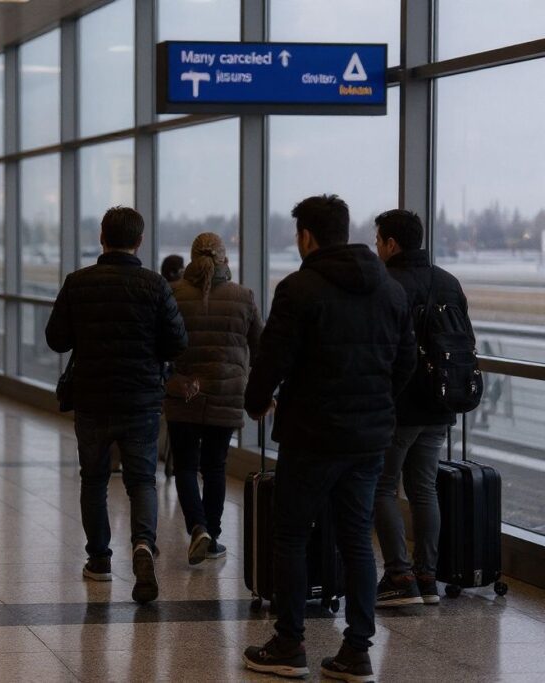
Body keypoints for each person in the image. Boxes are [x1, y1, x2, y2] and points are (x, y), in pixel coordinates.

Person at [241, 195, 416, 682]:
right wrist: (376, 402)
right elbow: (405, 362)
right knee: (357, 538)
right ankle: (356, 650)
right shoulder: (390, 289)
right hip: (368, 439)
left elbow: (272, 358)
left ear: (307, 236)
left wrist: (256, 402)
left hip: (311, 435)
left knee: (292, 536)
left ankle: (289, 643)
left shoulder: (298, 289)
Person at [46, 206, 188, 605]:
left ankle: (100, 560)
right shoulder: (155, 285)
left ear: (101, 237)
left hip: (92, 398)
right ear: (139, 241)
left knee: (93, 479)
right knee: (141, 481)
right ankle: (142, 545)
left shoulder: (78, 283)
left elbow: (56, 339)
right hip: (141, 400)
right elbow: (177, 343)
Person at [372, 209, 469, 608]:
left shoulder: (386, 284)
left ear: (392, 243)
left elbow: (380, 348)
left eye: (378, 241)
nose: (377, 248)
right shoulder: (448, 282)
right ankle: (427, 575)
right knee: (423, 488)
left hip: (399, 406)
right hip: (441, 402)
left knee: (381, 487)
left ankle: (399, 575)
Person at [164, 233, 261, 564]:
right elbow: (259, 348)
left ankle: (198, 528)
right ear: (225, 259)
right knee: (215, 466)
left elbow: (160, 344)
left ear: (192, 259)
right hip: (226, 393)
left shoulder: (173, 293)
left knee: (186, 466)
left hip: (183, 393)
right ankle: (213, 537)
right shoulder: (244, 297)